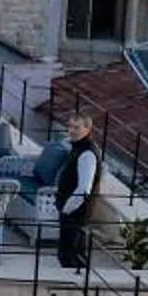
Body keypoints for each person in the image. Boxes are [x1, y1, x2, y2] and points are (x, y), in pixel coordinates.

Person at [56, 114, 102, 269]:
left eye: (77, 127)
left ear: (87, 129)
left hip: (76, 212)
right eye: (70, 126)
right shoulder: (78, 148)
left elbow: (84, 188)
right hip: (72, 210)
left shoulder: (87, 153)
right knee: (70, 254)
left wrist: (67, 208)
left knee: (71, 256)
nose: (71, 130)